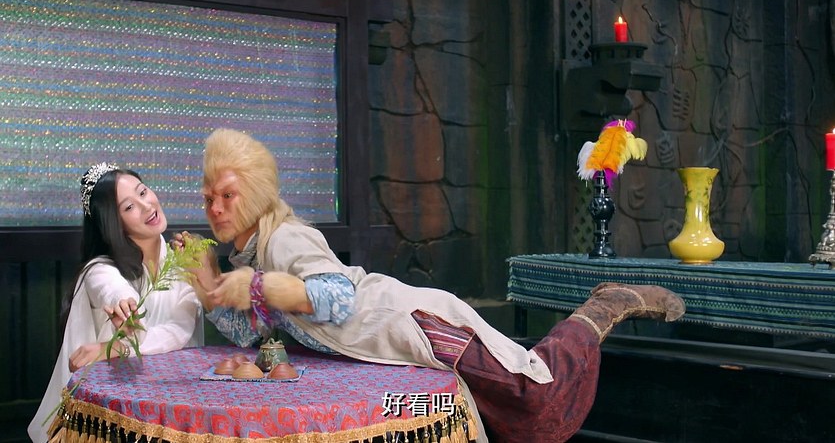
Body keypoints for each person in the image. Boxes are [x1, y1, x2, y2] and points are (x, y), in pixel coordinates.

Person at [191, 129, 686, 443]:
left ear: (254, 194)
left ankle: (606, 304)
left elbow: (338, 299)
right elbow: (251, 333)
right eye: (210, 197)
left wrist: (259, 287)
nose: (215, 208)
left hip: (417, 326)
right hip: (391, 346)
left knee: (535, 396)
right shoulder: (254, 253)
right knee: (500, 415)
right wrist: (210, 288)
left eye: (228, 196)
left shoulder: (284, 240)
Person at [28, 163, 203, 443]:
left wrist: (119, 348)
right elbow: (110, 289)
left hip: (169, 411)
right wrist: (125, 304)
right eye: (129, 207)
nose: (147, 206)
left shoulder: (181, 265)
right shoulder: (100, 270)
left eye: (143, 192)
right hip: (111, 418)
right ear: (114, 223)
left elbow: (180, 330)